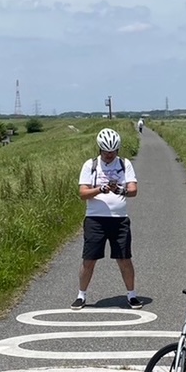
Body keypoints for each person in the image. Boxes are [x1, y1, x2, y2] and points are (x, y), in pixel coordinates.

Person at [72, 128, 141, 309]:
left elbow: (133, 190)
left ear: (117, 150)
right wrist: (100, 189)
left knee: (124, 258)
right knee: (89, 259)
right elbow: (83, 193)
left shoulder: (125, 164)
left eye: (112, 152)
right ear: (99, 149)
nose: (109, 155)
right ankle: (81, 295)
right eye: (105, 152)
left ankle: (132, 295)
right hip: (95, 219)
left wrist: (120, 190)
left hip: (119, 219)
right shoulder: (91, 165)